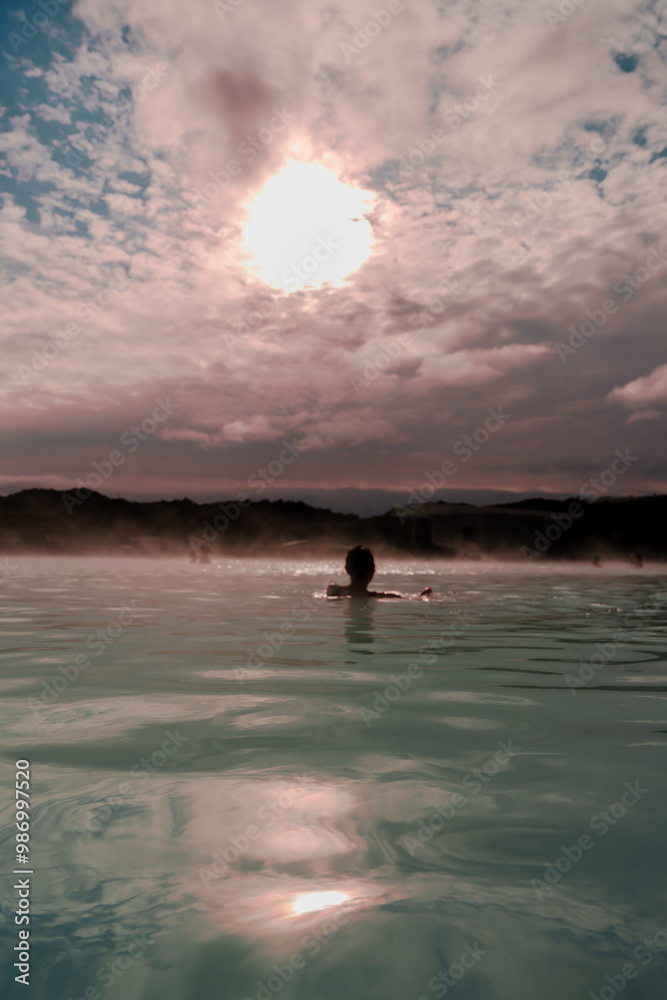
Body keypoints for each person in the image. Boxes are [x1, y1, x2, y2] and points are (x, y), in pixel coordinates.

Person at [327, 545, 432, 599]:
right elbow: (416, 601)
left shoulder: (333, 590)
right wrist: (425, 595)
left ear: (346, 569)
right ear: (372, 570)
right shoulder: (385, 597)